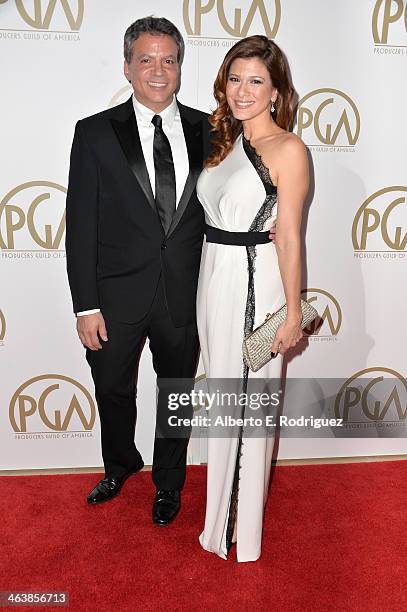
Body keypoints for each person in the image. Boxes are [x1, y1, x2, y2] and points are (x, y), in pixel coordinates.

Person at [65, 16, 212, 525]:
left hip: (184, 294)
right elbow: (80, 224)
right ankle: (120, 462)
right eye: (145, 59)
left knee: (176, 393)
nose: (157, 70)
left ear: (179, 67)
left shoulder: (211, 131)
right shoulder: (94, 133)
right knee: (112, 390)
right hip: (114, 295)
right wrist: (86, 304)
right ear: (127, 67)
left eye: (168, 60)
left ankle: (168, 483)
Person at [196, 35, 309, 561]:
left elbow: (288, 234)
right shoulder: (221, 142)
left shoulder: (288, 149)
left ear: (276, 92)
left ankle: (239, 524)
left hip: (251, 281)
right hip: (213, 278)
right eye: (235, 78)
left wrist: (290, 312)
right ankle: (219, 514)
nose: (242, 90)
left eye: (256, 81)